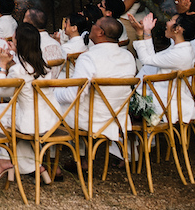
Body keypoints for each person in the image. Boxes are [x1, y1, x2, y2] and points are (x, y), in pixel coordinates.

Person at [54, 17, 137, 159]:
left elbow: (73, 96)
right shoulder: (128, 56)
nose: (91, 26)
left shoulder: (88, 58)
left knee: (44, 105)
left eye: (95, 24)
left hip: (91, 118)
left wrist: (52, 94)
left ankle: (50, 161)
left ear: (100, 32)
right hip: (116, 116)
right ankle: (80, 157)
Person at [0, 23, 59, 182]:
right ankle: (36, 167)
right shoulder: (45, 67)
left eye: (13, 38)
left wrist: (3, 65)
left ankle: (4, 159)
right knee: (4, 114)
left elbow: (1, 91)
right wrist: (14, 60)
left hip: (31, 124)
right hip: (51, 121)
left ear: (19, 42)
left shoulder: (18, 70)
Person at [131, 11, 195, 76]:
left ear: (177, 29)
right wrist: (147, 31)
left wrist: (139, 33)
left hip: (160, 88)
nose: (167, 23)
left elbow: (146, 60)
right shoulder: (182, 48)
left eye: (171, 20)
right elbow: (152, 58)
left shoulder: (178, 54)